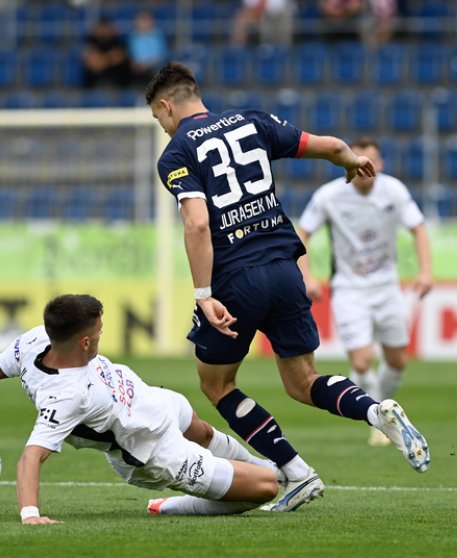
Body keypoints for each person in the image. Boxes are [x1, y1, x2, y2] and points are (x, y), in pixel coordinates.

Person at [144, 62, 429, 509]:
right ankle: (375, 411)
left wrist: (204, 295)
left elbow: (197, 224)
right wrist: (351, 161)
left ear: (166, 106)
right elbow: (330, 146)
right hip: (284, 268)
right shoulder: (252, 120)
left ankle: (297, 472)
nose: (162, 127)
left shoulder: (176, 153)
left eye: (157, 118)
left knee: (216, 383)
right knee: (303, 381)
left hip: (236, 278)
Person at [0, 294, 288, 522]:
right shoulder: (65, 396)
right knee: (263, 489)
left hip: (148, 399)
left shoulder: (33, 340)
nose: (101, 335)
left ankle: (275, 470)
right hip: (152, 450)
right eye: (99, 331)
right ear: (84, 342)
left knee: (202, 430)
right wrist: (30, 515)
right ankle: (174, 505)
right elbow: (31, 457)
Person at [297, 137, 432, 446]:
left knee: (397, 361)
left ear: (380, 164)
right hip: (349, 289)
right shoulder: (329, 196)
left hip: (387, 287)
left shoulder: (394, 190)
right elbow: (302, 233)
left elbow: (418, 229)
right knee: (361, 361)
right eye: (357, 161)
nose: (364, 167)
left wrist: (425, 272)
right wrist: (308, 276)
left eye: (371, 161)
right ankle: (379, 417)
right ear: (348, 163)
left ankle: (382, 408)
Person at [81, 18, 133, 89]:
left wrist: (100, 59)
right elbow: (92, 64)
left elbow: (119, 58)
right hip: (95, 83)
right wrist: (110, 57)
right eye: (102, 27)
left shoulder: (117, 41)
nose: (104, 30)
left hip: (116, 83)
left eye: (107, 27)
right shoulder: (91, 41)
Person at [128, 10, 169, 86]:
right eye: (141, 19)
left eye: (146, 19)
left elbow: (161, 55)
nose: (144, 23)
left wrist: (146, 65)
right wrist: (136, 64)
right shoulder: (133, 36)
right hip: (137, 69)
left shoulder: (158, 36)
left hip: (154, 67)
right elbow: (131, 54)